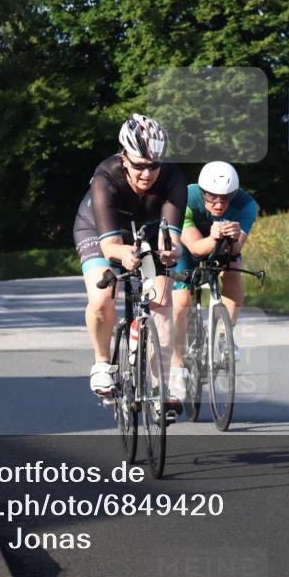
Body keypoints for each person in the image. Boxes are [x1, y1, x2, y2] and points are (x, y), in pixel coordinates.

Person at [72, 114, 187, 412]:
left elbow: (171, 238)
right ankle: (101, 362)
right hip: (98, 230)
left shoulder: (173, 179)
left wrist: (170, 253)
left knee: (162, 302)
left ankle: (159, 385)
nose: (147, 173)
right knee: (103, 297)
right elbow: (110, 246)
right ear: (124, 157)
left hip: (147, 230)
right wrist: (124, 255)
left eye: (154, 166)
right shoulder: (105, 176)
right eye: (139, 165)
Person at [170, 161, 258, 380]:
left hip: (222, 247)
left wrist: (232, 236)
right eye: (211, 197)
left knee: (234, 269)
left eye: (226, 197)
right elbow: (196, 249)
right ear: (202, 192)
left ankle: (223, 335)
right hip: (188, 247)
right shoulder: (186, 198)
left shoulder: (246, 205)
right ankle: (176, 360)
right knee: (181, 301)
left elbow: (236, 249)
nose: (219, 203)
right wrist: (214, 237)